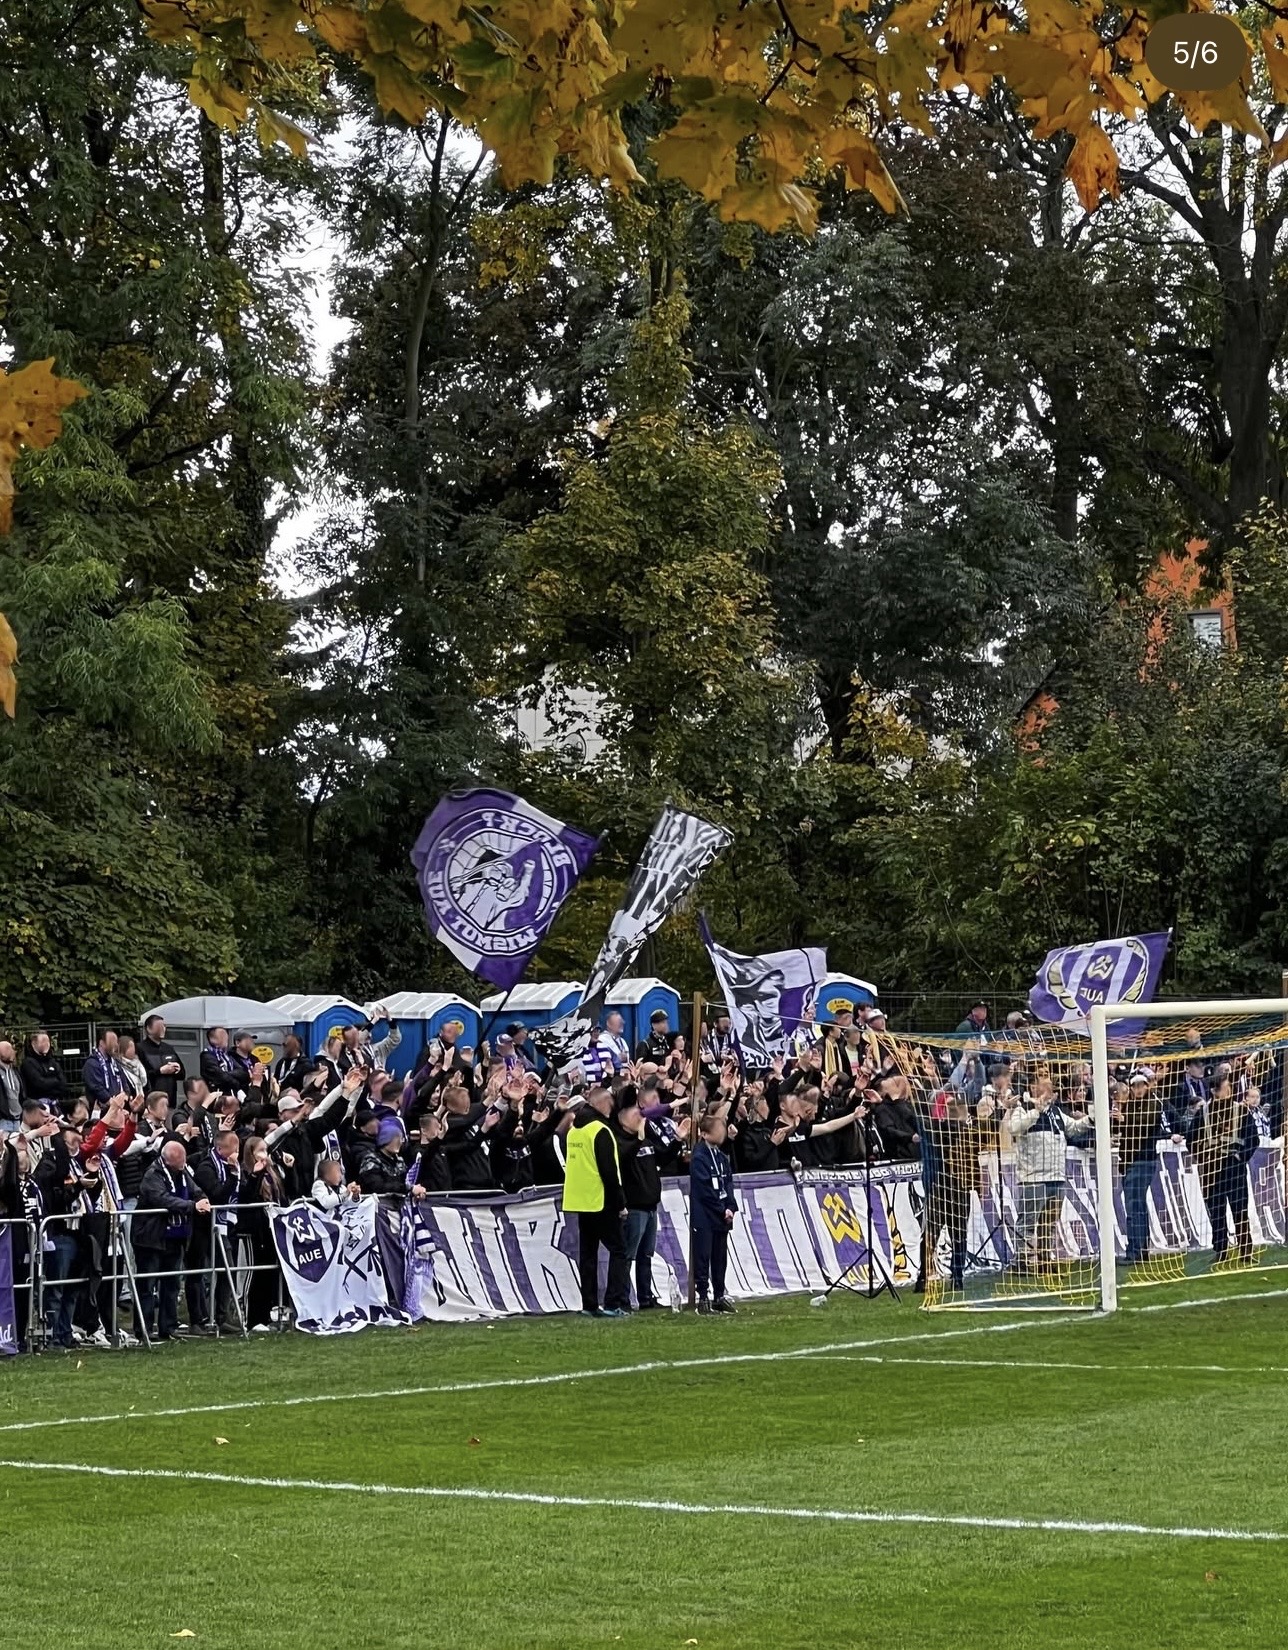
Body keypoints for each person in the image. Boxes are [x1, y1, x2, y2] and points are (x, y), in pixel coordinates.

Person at [1008, 1074, 1092, 1273]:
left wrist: (1091, 1118)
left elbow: (1073, 1128)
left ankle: (1045, 1258)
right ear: (1033, 1087)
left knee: (1049, 1222)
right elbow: (1013, 1128)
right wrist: (1036, 1112)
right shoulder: (1022, 1108)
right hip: (1034, 1177)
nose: (1051, 1090)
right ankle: (1022, 1260)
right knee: (1027, 1221)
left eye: (1051, 1087)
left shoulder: (1056, 1112)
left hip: (1056, 1176)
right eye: (1046, 1086)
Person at [561, 1086, 630, 1318]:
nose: (612, 1109)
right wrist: (620, 1203)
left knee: (588, 1254)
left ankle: (589, 1304)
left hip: (580, 1201)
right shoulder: (600, 1130)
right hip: (601, 1201)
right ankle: (613, 1303)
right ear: (601, 1104)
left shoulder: (574, 1132)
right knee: (619, 1250)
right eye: (609, 1104)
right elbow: (609, 1171)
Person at [133, 1141, 212, 1341]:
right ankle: (144, 1329)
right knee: (147, 1286)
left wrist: (202, 1199)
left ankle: (168, 1327)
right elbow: (162, 1199)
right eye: (179, 1162)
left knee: (172, 1284)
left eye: (184, 1160)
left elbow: (196, 1189)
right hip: (150, 1238)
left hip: (175, 1238)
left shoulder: (183, 1172)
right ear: (167, 1161)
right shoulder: (152, 1175)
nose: (183, 1165)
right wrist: (192, 1206)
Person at [611, 1088, 681, 1309]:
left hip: (651, 1205)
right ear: (622, 1118)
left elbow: (662, 1156)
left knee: (646, 1255)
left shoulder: (647, 1140)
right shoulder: (619, 1141)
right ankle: (621, 1298)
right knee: (627, 1255)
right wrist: (637, 1138)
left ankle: (645, 1296)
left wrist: (678, 1141)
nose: (640, 1118)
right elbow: (623, 1160)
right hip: (634, 1207)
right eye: (635, 1114)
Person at [1186, 1074, 1257, 1268]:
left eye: (1229, 1087)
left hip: (1234, 1168)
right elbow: (1190, 1140)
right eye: (1225, 1087)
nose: (1229, 1090)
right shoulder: (1203, 1113)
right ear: (1215, 1091)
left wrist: (1239, 1156)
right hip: (1211, 1169)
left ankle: (1246, 1251)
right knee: (1216, 1212)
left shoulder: (1241, 1111)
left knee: (1240, 1210)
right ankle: (1221, 1250)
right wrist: (1204, 1156)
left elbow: (1253, 1139)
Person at [194, 1129, 243, 1332]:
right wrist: (232, 1174)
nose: (237, 1153)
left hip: (224, 1227)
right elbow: (218, 1195)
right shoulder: (206, 1168)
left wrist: (253, 1174)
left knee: (227, 1270)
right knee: (198, 1274)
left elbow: (243, 1191)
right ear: (221, 1148)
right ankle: (199, 1318)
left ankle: (220, 1317)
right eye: (234, 1148)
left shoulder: (234, 1167)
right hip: (204, 1227)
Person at [690, 1111, 738, 1315]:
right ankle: (702, 1297)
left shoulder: (721, 1157)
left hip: (722, 1216)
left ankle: (719, 1295)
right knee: (703, 1256)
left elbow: (728, 1182)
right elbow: (704, 1190)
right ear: (705, 1134)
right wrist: (721, 1208)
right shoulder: (699, 1157)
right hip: (705, 1216)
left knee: (720, 1258)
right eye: (718, 1130)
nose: (723, 1133)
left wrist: (731, 1206)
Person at [239, 1137, 285, 1331]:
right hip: (253, 1230)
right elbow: (245, 1199)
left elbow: (282, 1197)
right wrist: (255, 1176)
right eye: (259, 1150)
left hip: (270, 1229)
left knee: (269, 1274)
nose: (264, 1154)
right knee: (254, 1275)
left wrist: (285, 1168)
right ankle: (250, 1319)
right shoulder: (245, 1173)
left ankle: (265, 1317)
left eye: (265, 1150)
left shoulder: (273, 1174)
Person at [138, 1015, 185, 1103]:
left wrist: (177, 1069)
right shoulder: (140, 1048)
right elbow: (140, 1076)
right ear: (149, 1028)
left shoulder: (169, 1048)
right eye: (159, 1026)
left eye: (164, 1026)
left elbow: (182, 1075)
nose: (163, 1029)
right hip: (151, 1101)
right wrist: (160, 1071)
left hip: (170, 1100)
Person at [82, 1029, 128, 1112]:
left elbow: (123, 1081)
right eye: (112, 1041)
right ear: (102, 1043)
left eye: (116, 1041)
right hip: (101, 1108)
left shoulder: (114, 1062)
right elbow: (96, 1087)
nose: (116, 1045)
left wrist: (125, 1095)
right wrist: (112, 1103)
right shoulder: (92, 1063)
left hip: (118, 1107)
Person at [19, 1033, 67, 1110]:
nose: (47, 1044)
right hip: (36, 1107)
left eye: (48, 1041)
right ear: (33, 1044)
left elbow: (63, 1083)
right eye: (43, 1041)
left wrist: (50, 1082)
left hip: (55, 1105)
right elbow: (39, 1084)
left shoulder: (53, 1062)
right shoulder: (28, 1063)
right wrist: (55, 1081)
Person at [116, 1034, 148, 1101]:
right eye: (130, 1047)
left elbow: (146, 1084)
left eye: (133, 1046)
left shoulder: (138, 1064)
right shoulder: (118, 1066)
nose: (133, 1049)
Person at [0, 1041, 23, 1133]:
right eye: (8, 1049)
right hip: (2, 1121)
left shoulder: (15, 1071)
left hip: (17, 1120)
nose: (13, 1052)